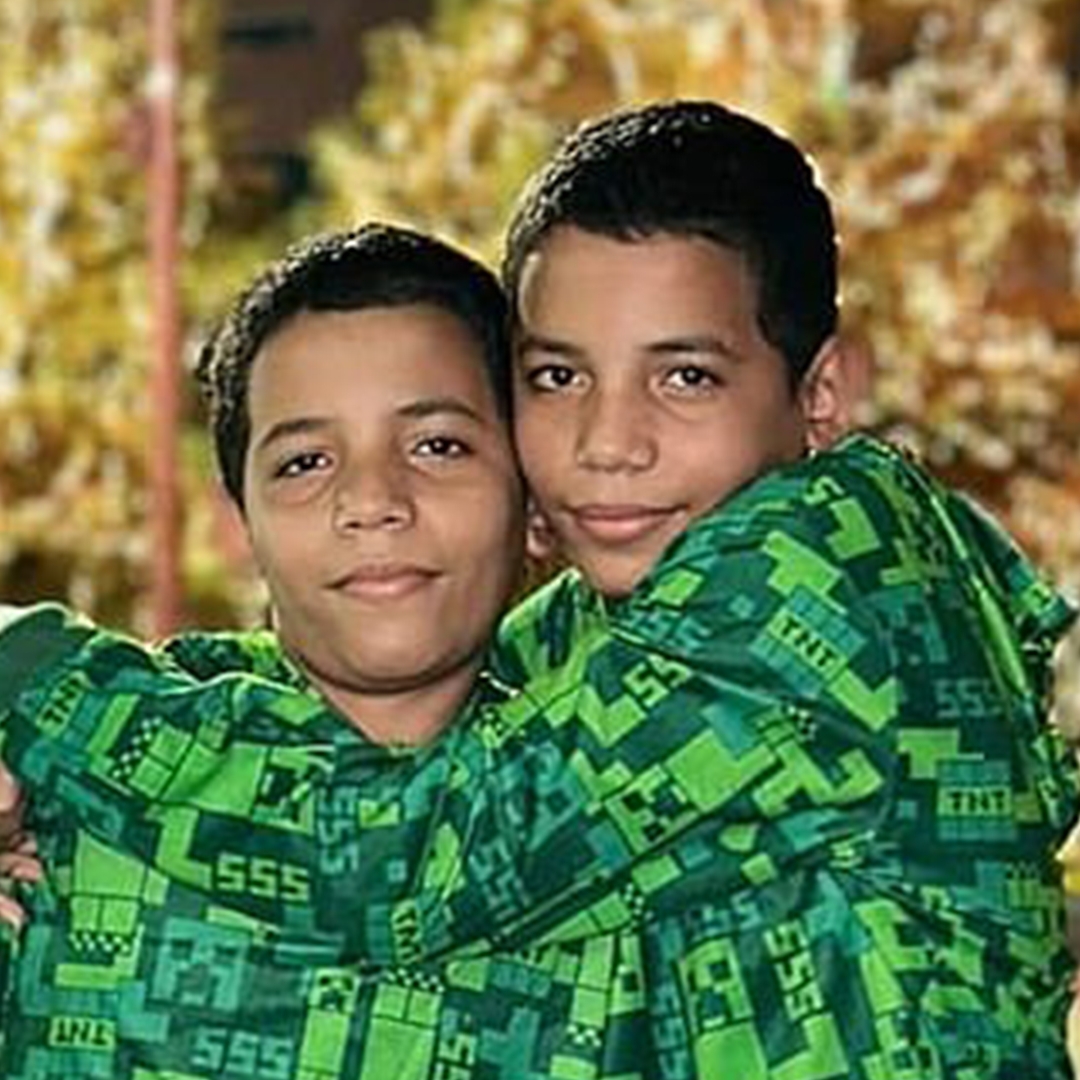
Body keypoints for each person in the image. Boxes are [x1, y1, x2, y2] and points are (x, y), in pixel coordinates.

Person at [1, 100, 1076, 1079]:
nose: (609, 444)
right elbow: (382, 705)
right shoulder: (612, 631)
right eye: (559, 377)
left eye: (685, 377)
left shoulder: (823, 568)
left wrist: (27, 675)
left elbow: (410, 848)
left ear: (821, 393)